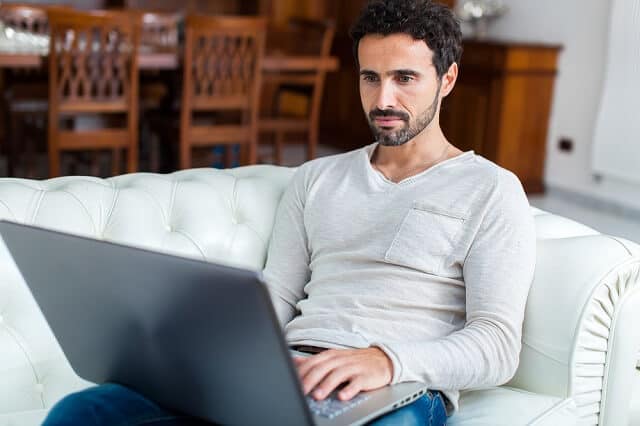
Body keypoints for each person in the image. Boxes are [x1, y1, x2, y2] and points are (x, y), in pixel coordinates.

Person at [43, 1, 536, 425]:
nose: (383, 99)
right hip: (286, 371)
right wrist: (207, 353)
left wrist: (385, 360)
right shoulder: (316, 178)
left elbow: (496, 346)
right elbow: (277, 294)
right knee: (84, 412)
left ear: (447, 79)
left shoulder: (491, 189)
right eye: (370, 78)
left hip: (400, 387)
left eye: (405, 78)